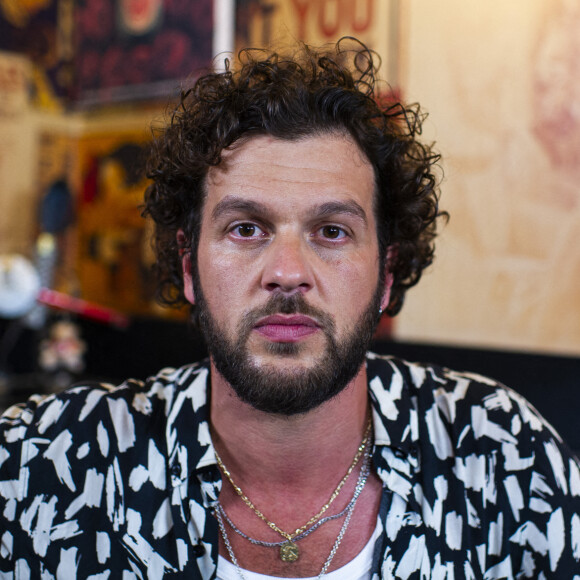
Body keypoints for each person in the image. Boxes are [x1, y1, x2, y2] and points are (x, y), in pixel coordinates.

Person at [1, 38, 579, 580]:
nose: (288, 272)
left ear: (386, 273)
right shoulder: (42, 467)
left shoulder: (504, 458)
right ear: (188, 266)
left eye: (331, 231)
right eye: (246, 228)